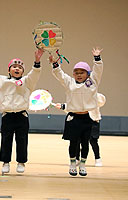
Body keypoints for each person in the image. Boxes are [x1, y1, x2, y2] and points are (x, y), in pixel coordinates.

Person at [0, 49, 44, 174]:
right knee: (6, 139)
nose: (17, 69)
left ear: (23, 71)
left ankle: (21, 162)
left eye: (20, 67)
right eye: (14, 66)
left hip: (22, 116)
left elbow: (35, 73)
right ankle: (5, 162)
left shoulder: (28, 82)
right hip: (7, 116)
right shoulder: (2, 81)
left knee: (22, 140)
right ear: (9, 69)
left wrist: (37, 62)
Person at [50, 47, 103, 176]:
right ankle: (73, 163)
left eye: (82, 72)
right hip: (73, 118)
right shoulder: (69, 82)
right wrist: (54, 64)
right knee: (73, 143)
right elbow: (59, 75)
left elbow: (98, 71)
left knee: (85, 143)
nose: (79, 74)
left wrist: (97, 59)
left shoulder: (93, 82)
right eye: (76, 72)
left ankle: (83, 164)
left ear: (88, 74)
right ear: (73, 74)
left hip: (86, 118)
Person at [54, 93, 106, 167]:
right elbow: (73, 106)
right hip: (79, 119)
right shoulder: (76, 94)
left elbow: (101, 101)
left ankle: (97, 158)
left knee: (93, 140)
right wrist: (63, 106)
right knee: (76, 140)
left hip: (93, 120)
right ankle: (77, 159)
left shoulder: (95, 95)